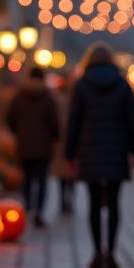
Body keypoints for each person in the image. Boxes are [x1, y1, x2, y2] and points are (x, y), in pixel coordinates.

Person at [65, 43, 134, 268]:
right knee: (115, 204)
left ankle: (97, 252)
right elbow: (132, 121)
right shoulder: (121, 85)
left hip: (90, 150)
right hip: (117, 150)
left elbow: (74, 123)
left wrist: (70, 155)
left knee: (94, 203)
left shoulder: (81, 86)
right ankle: (112, 253)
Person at [5, 66, 59, 227]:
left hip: (24, 144)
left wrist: (19, 131)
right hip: (43, 145)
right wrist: (54, 137)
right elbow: (54, 122)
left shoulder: (20, 96)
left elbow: (9, 117)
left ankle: (28, 205)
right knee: (42, 180)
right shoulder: (48, 97)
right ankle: (39, 211)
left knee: (27, 178)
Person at [49, 74, 75, 214]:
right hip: (71, 137)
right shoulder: (74, 99)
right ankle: (70, 198)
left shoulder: (56, 99)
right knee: (71, 171)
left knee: (62, 174)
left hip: (60, 139)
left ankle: (62, 200)